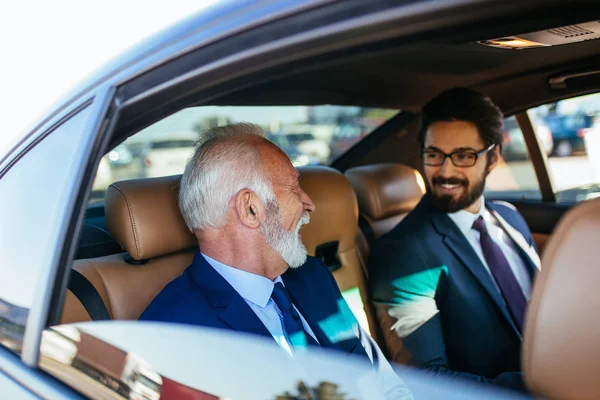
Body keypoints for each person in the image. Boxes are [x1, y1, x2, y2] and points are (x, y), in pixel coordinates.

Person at [139, 123, 412, 398]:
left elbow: (382, 382)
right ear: (250, 208)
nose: (309, 203)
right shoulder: (171, 334)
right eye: (294, 187)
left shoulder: (313, 275)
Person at [369, 88, 540, 391]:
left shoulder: (510, 218)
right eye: (434, 155)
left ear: (493, 157)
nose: (446, 171)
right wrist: (550, 383)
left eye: (464, 156)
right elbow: (427, 382)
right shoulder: (404, 253)